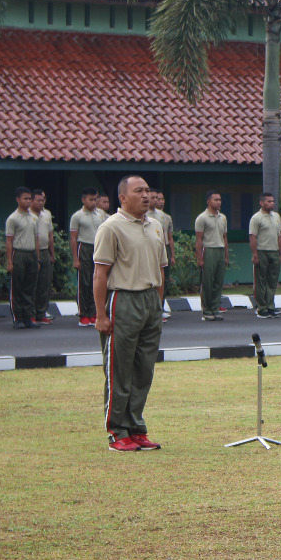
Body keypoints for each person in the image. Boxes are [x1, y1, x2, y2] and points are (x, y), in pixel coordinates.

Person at [94, 175, 167, 453]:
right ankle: (117, 431)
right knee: (119, 369)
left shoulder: (156, 226)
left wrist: (157, 306)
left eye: (148, 190)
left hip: (150, 301)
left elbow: (160, 269)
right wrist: (100, 314)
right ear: (123, 198)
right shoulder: (111, 227)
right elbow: (100, 274)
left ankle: (136, 427)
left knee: (143, 369)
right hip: (123, 299)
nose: (146, 195)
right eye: (139, 191)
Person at [69, 188, 105, 327]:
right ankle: (84, 314)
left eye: (96, 199)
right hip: (84, 247)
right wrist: (75, 258)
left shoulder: (100, 214)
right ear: (83, 200)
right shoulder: (77, 216)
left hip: (98, 248)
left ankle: (94, 311)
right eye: (91, 199)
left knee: (97, 281)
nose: (94, 202)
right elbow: (73, 238)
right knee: (84, 283)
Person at [5, 187, 39, 329]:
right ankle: (17, 317)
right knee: (17, 287)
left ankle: (28, 317)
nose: (28, 201)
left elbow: (36, 239)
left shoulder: (34, 217)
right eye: (25, 198)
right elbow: (8, 241)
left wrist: (37, 259)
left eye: (29, 199)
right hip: (18, 253)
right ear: (18, 199)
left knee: (29, 287)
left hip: (31, 253)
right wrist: (9, 261)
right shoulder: (13, 218)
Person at [196, 191, 229, 321]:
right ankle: (207, 310)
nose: (219, 202)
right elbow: (199, 240)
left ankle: (215, 309)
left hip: (220, 249)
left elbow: (225, 237)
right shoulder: (202, 218)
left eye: (220, 199)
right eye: (216, 199)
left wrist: (226, 256)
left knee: (218, 282)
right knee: (207, 282)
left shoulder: (223, 217)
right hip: (208, 250)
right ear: (208, 201)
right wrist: (199, 258)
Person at [249, 192, 281, 319]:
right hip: (262, 251)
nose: (272, 203)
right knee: (260, 281)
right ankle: (261, 308)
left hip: (274, 251)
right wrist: (255, 254)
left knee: (272, 280)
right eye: (269, 201)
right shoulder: (256, 218)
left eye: (273, 201)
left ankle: (270, 306)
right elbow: (252, 237)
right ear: (261, 203)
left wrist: (280, 253)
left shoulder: (276, 216)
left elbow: (279, 236)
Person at [25, 189, 55, 325]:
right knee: (31, 285)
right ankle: (30, 314)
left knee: (44, 284)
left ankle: (41, 313)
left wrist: (52, 253)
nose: (41, 203)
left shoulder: (47, 214)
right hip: (31, 251)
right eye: (38, 200)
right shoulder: (27, 214)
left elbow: (50, 235)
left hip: (44, 251)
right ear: (31, 200)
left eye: (43, 200)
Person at [149, 190, 175, 321]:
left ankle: (160, 306)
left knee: (163, 280)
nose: (158, 201)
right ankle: (151, 309)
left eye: (159, 198)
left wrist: (172, 255)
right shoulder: (143, 215)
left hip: (163, 247)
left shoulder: (164, 217)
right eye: (155, 198)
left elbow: (169, 237)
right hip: (149, 248)